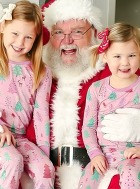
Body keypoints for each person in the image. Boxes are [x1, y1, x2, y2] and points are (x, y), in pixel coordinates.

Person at [26, 0, 140, 189]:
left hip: (105, 169)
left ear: (94, 34)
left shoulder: (117, 68)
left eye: (78, 31)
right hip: (40, 176)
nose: (67, 40)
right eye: (59, 32)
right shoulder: (33, 74)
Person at [78, 23, 140, 189]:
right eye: (117, 56)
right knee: (86, 181)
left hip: (133, 157)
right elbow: (88, 127)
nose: (125, 63)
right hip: (103, 155)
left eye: (132, 55)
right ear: (105, 56)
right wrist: (95, 154)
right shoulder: (97, 89)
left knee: (131, 175)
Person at [0, 1, 54, 189]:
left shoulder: (41, 71)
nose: (20, 42)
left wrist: (44, 153)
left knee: (46, 170)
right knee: (13, 161)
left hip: (20, 138)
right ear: (2, 28)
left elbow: (41, 117)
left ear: (36, 39)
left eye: (28, 37)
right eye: (15, 34)